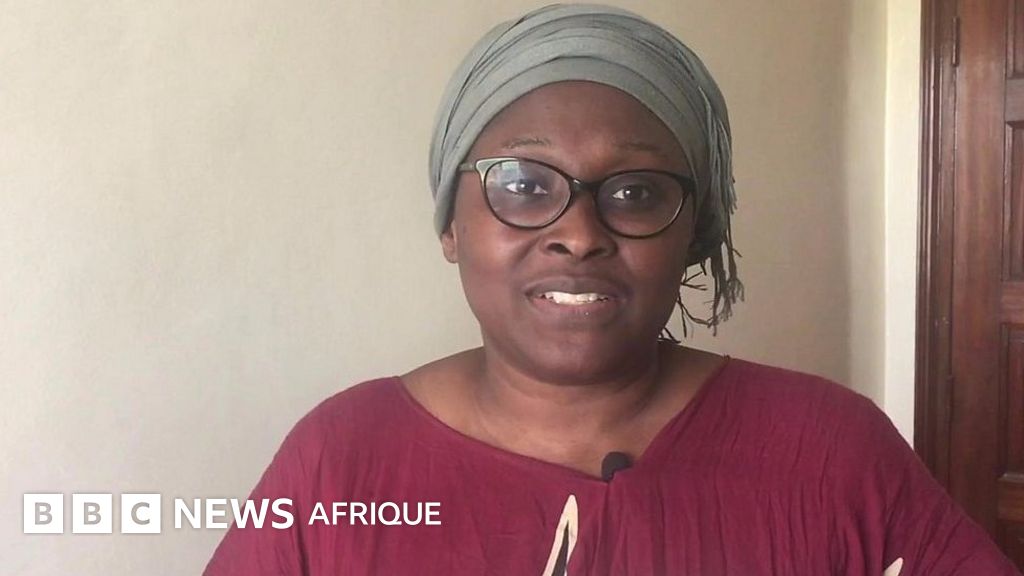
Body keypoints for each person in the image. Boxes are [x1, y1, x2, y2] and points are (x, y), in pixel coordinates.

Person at [204, 4, 1021, 575]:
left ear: (692, 233)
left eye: (635, 192)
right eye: (523, 184)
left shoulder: (828, 451)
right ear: (451, 225)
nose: (580, 233)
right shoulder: (342, 460)